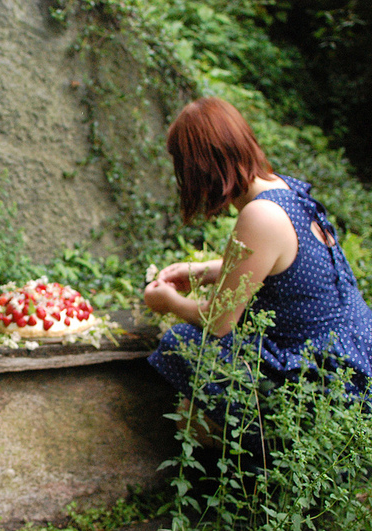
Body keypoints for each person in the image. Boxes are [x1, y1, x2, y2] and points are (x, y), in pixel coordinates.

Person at [144, 97, 372, 454]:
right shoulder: (284, 190)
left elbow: (219, 322)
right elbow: (286, 267)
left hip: (327, 379)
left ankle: (273, 461)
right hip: (356, 356)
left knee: (180, 344)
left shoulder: (260, 215)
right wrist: (203, 271)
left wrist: (168, 303)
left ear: (200, 169)